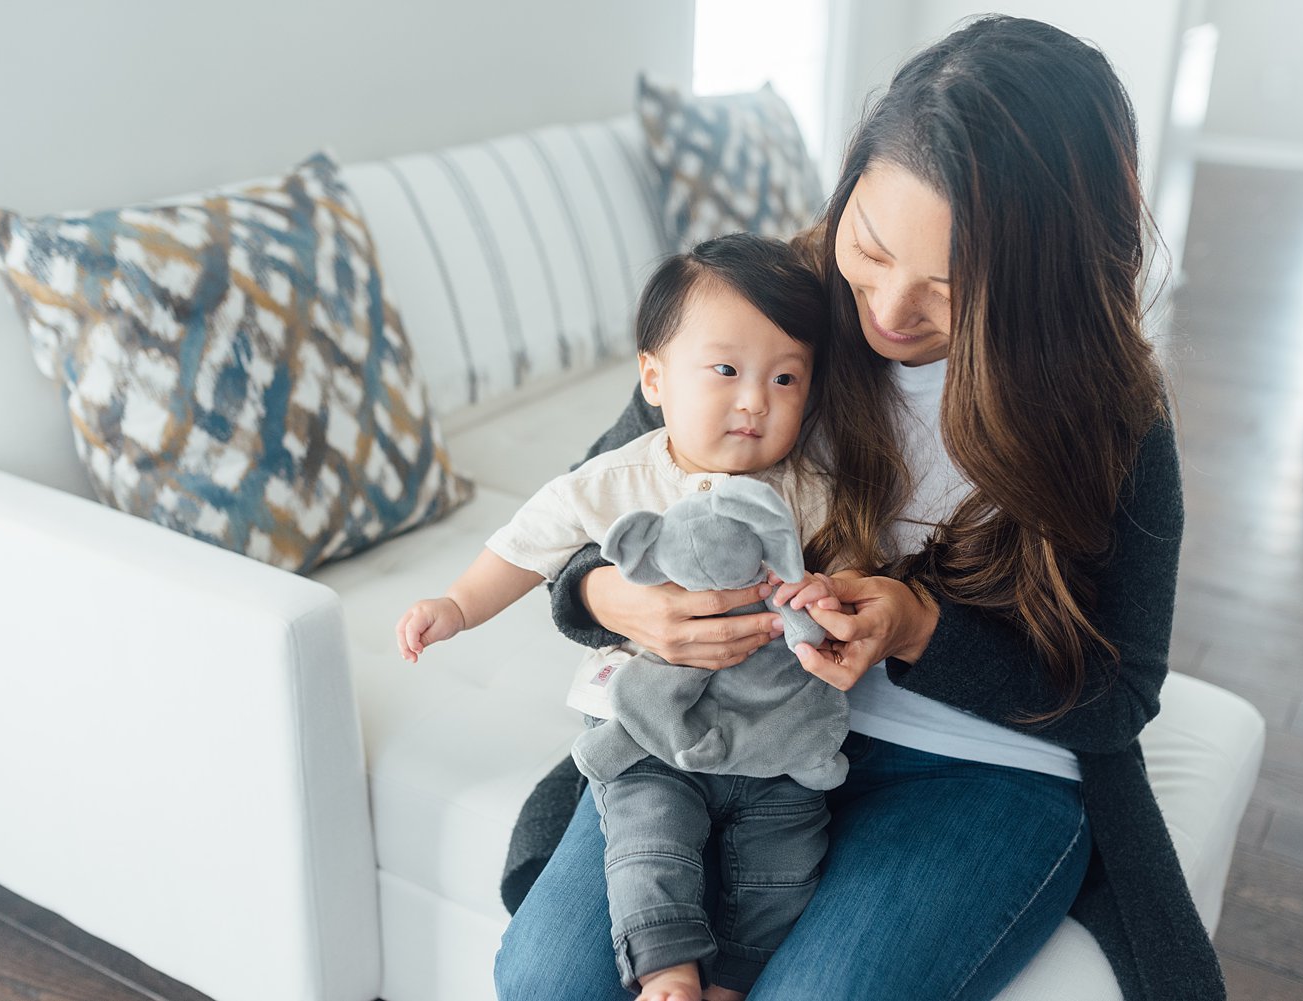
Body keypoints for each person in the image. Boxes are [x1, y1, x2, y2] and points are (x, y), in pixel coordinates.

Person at [496, 14, 1225, 1001]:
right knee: (551, 980)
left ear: (1042, 281)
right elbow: (582, 521)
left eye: (951, 287)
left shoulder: (1108, 412)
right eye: (871, 248)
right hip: (728, 727)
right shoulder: (772, 311)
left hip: (976, 771)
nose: (887, 307)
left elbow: (1120, 693)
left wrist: (923, 628)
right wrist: (621, 600)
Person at [397, 233, 844, 1001]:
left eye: (786, 378)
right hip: (648, 731)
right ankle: (666, 970)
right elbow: (530, 541)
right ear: (655, 377)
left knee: (784, 864)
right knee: (647, 845)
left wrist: (830, 596)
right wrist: (458, 604)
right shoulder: (622, 476)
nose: (755, 400)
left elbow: (857, 569)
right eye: (727, 371)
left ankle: (733, 979)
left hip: (776, 740)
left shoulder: (811, 487)